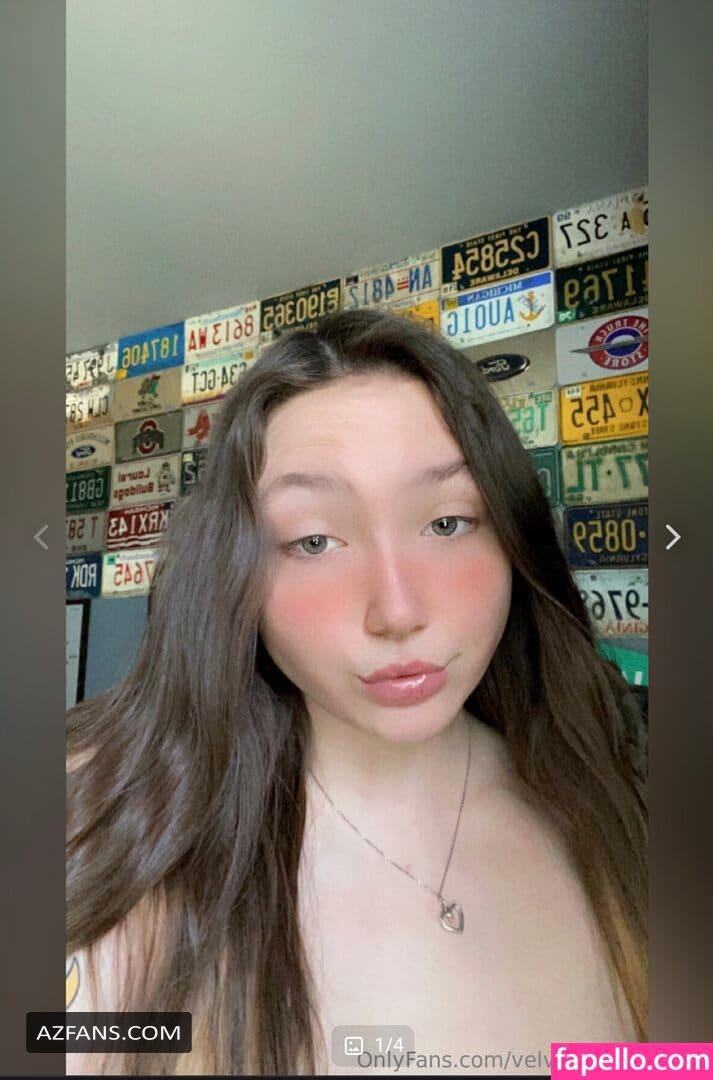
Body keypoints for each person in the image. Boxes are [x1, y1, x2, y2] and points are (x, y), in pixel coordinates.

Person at [66, 308, 647, 1076]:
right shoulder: (104, 816)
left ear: (511, 534)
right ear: (234, 573)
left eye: (447, 522)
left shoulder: (619, 798)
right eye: (313, 541)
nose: (397, 610)